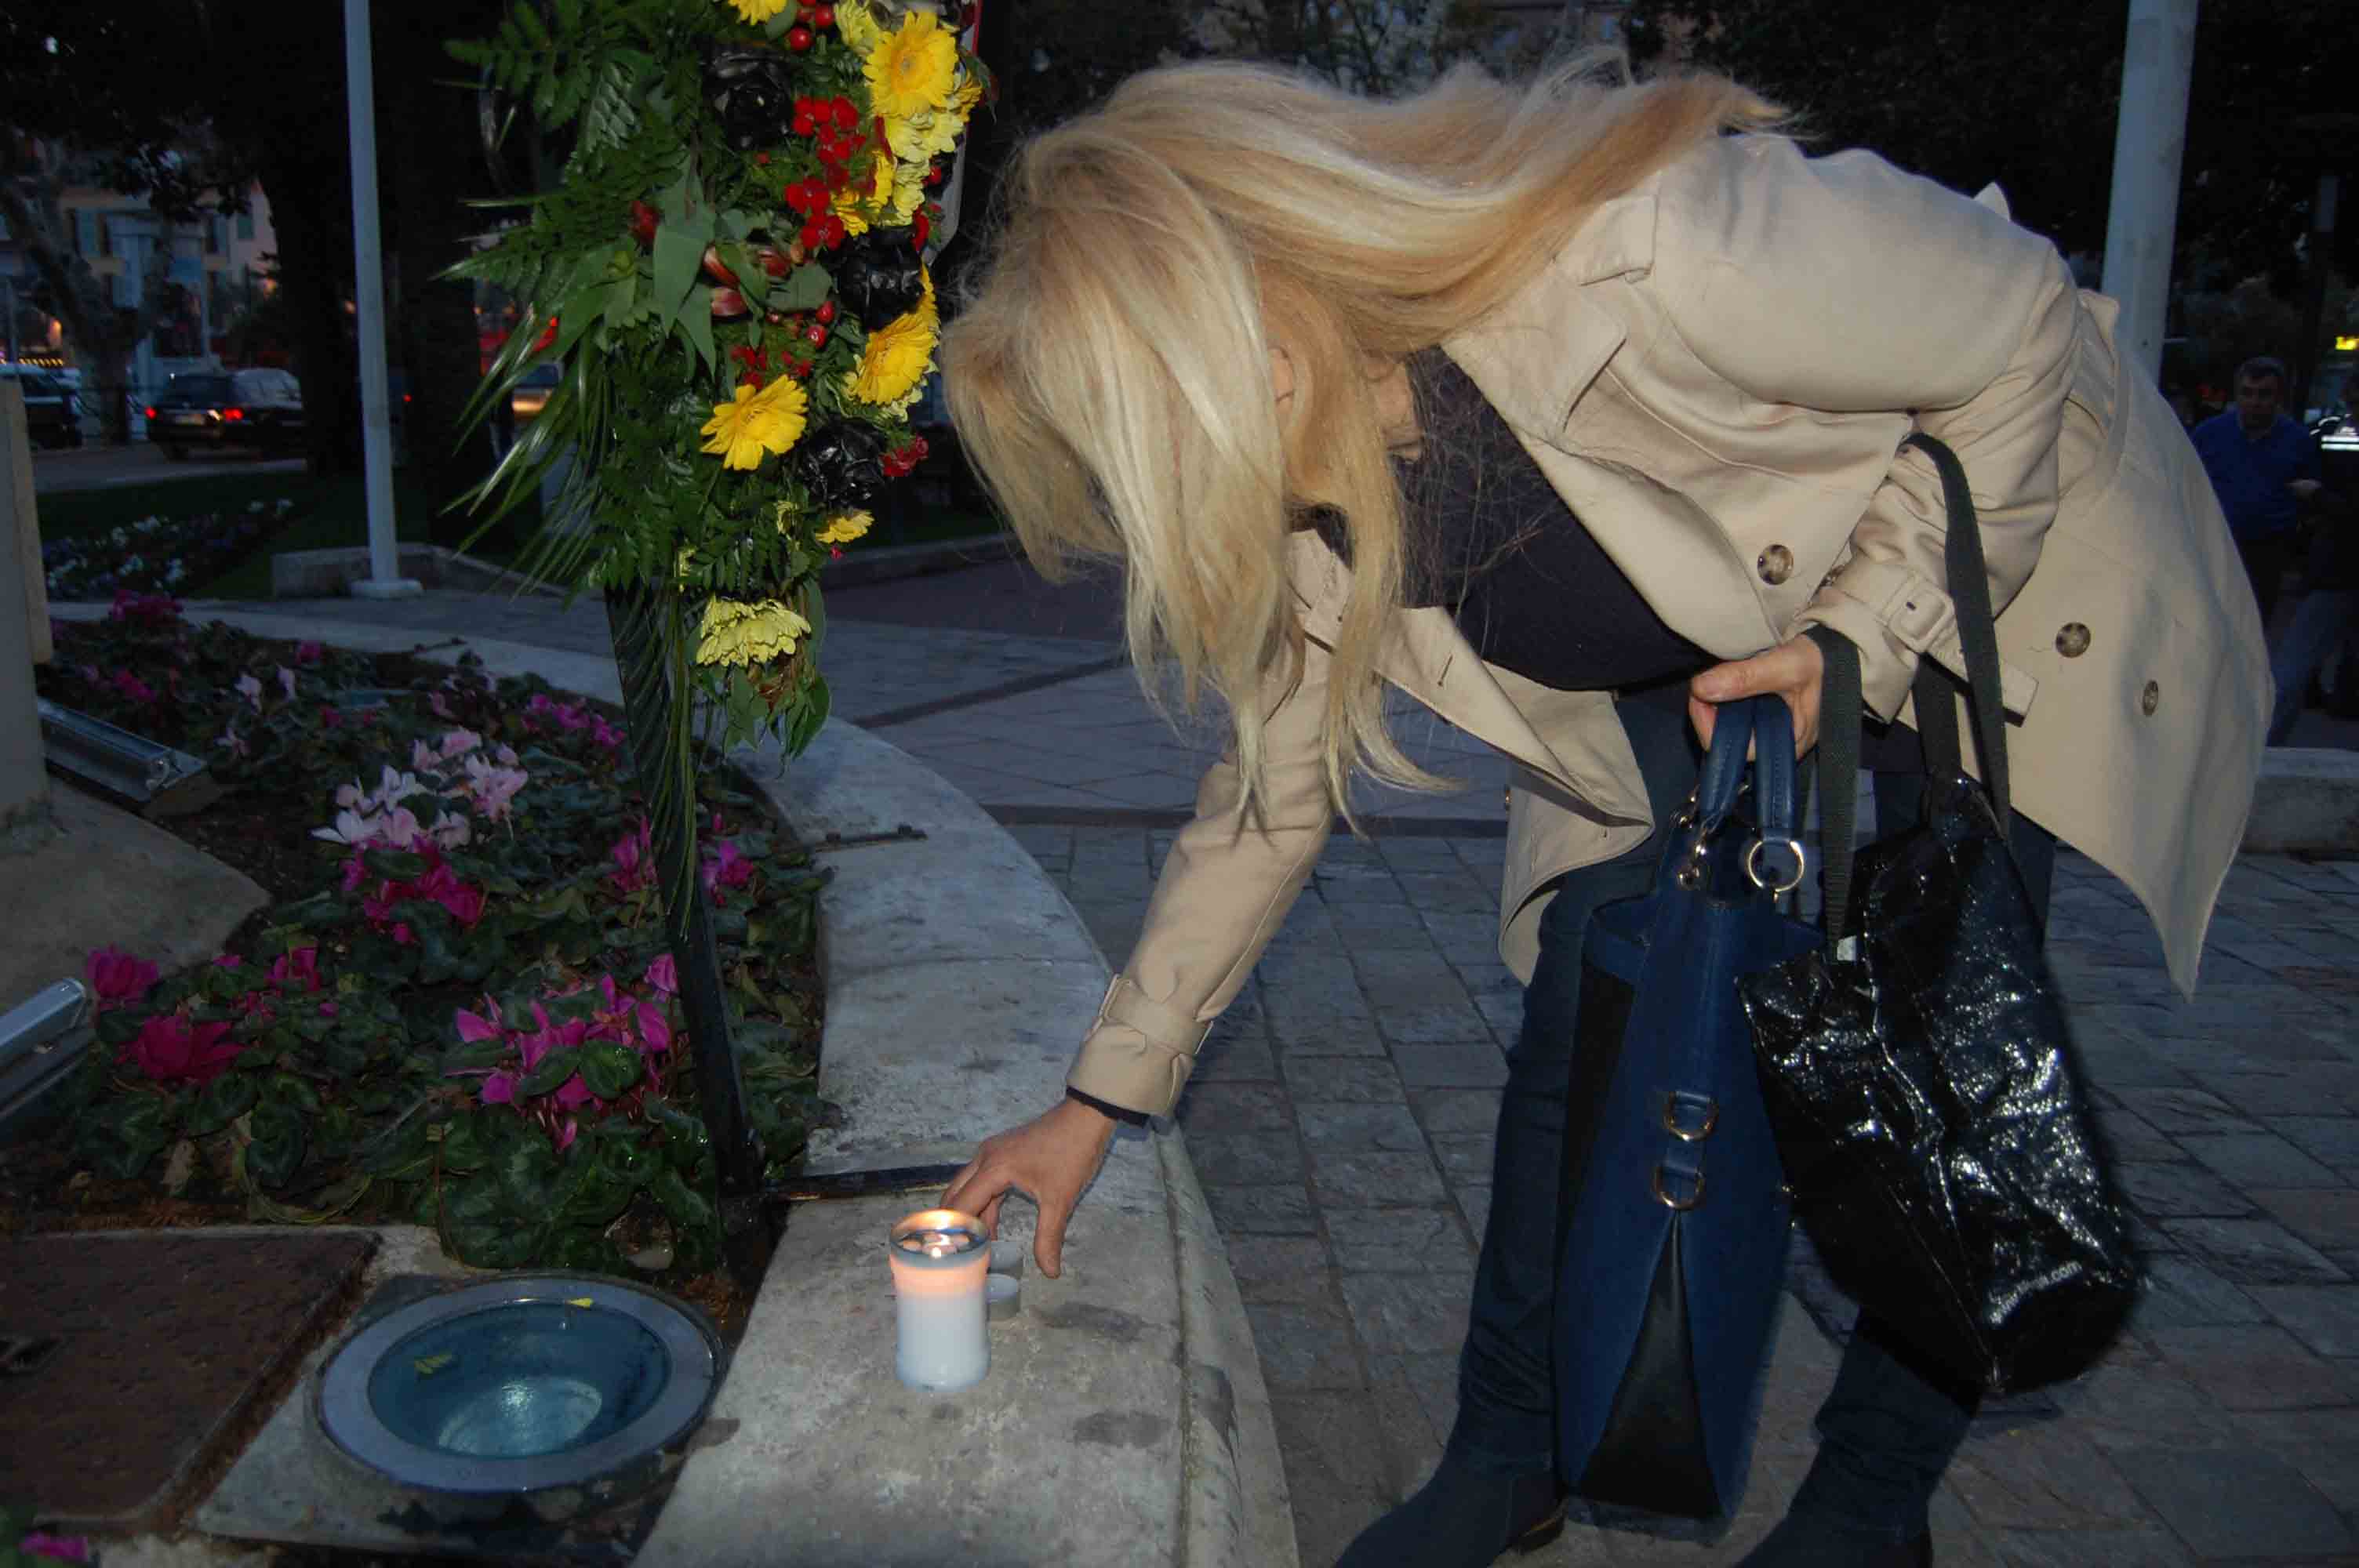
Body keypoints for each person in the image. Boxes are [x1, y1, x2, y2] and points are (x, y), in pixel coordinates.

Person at [938, 57, 2268, 1568]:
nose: (1152, 508)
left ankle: (1867, 1503)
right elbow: (1264, 801)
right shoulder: (1310, 492)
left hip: (1979, 601)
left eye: (1138, 452)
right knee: (1582, 1014)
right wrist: (1099, 1101)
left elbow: (2022, 321)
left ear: (1253, 355)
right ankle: (1509, 1451)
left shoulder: (1644, 241)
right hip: (1711, 677)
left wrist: (1856, 638)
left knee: (1931, 1073)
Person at [2191, 356, 2325, 626]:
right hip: (2213, 544)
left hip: (2268, 551)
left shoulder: (2298, 441)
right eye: (2247, 393)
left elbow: (2312, 493)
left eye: (2264, 394)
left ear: (2279, 398)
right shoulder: (2208, 435)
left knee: (2254, 623)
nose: (2255, 402)